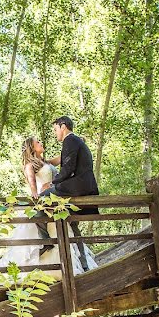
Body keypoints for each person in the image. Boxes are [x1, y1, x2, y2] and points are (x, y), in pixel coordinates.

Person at [0, 137, 96, 278]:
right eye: (38, 143)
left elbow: (63, 157)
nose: (41, 143)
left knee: (74, 230)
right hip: (46, 202)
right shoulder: (30, 165)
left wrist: (77, 142)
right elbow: (33, 188)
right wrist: (39, 196)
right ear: (31, 147)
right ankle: (47, 251)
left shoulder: (46, 162)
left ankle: (84, 265)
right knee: (54, 230)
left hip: (57, 200)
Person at [36, 116, 99, 271]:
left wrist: (52, 183)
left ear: (63, 126)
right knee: (72, 223)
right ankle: (84, 264)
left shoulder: (70, 140)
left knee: (40, 202)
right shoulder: (75, 141)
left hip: (77, 187)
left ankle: (46, 242)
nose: (55, 133)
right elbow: (62, 162)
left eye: (55, 129)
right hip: (80, 186)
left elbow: (68, 169)